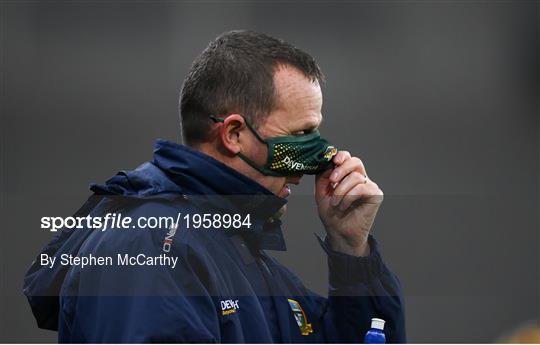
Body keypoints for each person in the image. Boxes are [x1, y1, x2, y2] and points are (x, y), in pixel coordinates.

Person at [23, 30, 406, 343]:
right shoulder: (153, 246)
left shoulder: (236, 254)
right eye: (301, 135)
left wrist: (351, 252)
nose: (319, 158)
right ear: (234, 133)